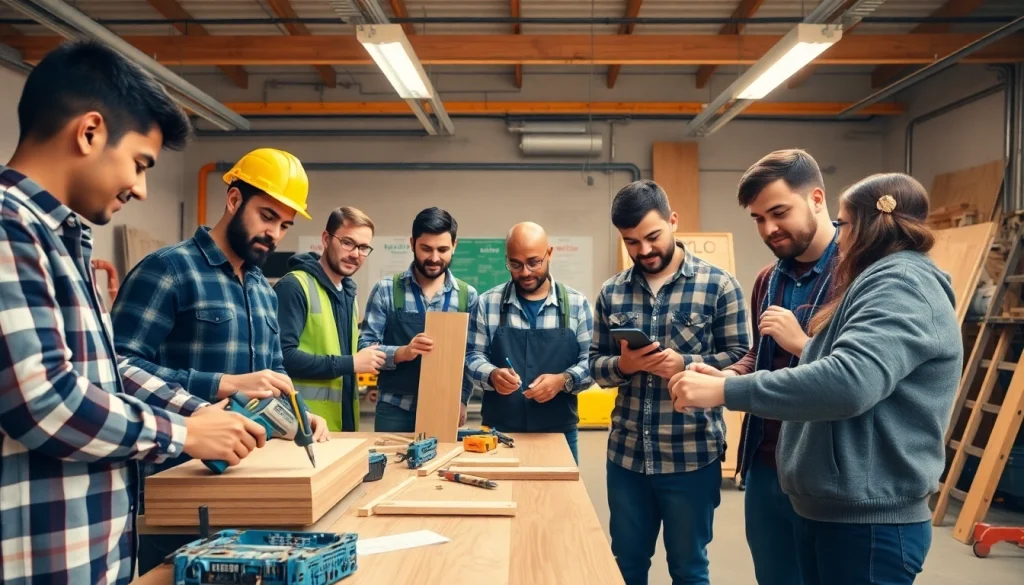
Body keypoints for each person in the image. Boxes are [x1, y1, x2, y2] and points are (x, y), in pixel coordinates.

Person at [0, 41, 267, 585]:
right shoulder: (9, 230)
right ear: (90, 132)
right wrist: (181, 434)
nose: (143, 189)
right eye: (140, 164)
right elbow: (45, 402)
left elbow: (105, 371)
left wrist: (200, 413)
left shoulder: (59, 240)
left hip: (85, 558)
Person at [670, 173, 962, 585]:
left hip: (868, 520)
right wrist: (728, 376)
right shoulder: (868, 281)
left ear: (871, 225)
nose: (839, 239)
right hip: (832, 506)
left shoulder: (901, 283)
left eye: (843, 225)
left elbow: (849, 382)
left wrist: (724, 389)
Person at [111, 148, 329, 574]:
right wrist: (219, 386)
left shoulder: (264, 289)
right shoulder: (168, 270)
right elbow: (114, 366)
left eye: (284, 224)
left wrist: (300, 415)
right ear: (233, 200)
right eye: (267, 216)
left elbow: (271, 377)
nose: (275, 234)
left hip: (247, 486)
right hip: (175, 488)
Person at [589, 180, 750, 585]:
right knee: (625, 565)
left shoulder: (720, 286)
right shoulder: (612, 293)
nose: (643, 250)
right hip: (627, 458)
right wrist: (624, 366)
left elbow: (743, 359)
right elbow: (594, 366)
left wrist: (687, 363)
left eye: (652, 236)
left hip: (691, 456)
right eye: (631, 242)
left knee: (689, 568)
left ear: (673, 221)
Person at [700, 149, 839, 585]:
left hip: (827, 469)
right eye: (758, 219)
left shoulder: (857, 274)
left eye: (779, 212)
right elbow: (758, 356)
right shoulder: (768, 279)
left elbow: (855, 375)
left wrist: (803, 342)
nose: (769, 229)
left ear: (816, 198)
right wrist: (730, 376)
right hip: (765, 463)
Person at [465, 222, 594, 463]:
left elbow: (592, 363)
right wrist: (492, 375)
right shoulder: (487, 303)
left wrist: (562, 381)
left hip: (559, 433)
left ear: (550, 254)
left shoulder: (577, 305)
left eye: (534, 262)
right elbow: (472, 357)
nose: (525, 272)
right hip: (498, 433)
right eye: (515, 264)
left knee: (559, 500)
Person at [359, 207, 478, 432]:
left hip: (444, 406)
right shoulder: (386, 290)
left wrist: (462, 399)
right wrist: (404, 352)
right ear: (412, 243)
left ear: (454, 245)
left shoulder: (467, 296)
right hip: (394, 408)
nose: (434, 258)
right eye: (426, 249)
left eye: (443, 249)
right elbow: (365, 347)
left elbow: (469, 355)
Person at [275, 207, 385, 431]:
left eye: (363, 247)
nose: (355, 254)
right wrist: (352, 363)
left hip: (341, 424)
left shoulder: (348, 294)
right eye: (347, 242)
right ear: (326, 239)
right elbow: (282, 358)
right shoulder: (294, 286)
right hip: (302, 425)